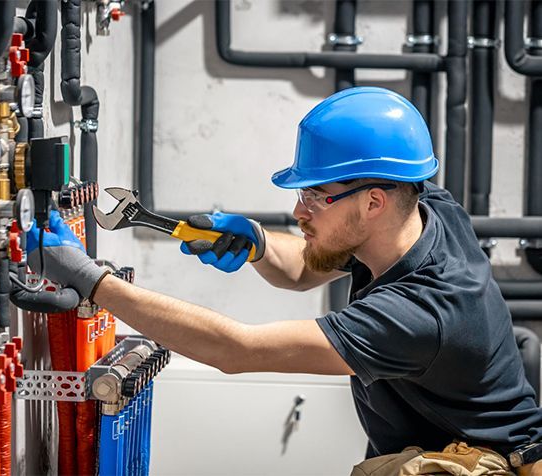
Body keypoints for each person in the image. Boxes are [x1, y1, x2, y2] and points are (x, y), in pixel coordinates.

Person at [27, 87, 542, 466]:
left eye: (316, 196)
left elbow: (237, 351)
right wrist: (256, 242)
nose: (299, 211)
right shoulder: (424, 208)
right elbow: (300, 268)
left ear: (373, 202)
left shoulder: (422, 313)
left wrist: (94, 282)